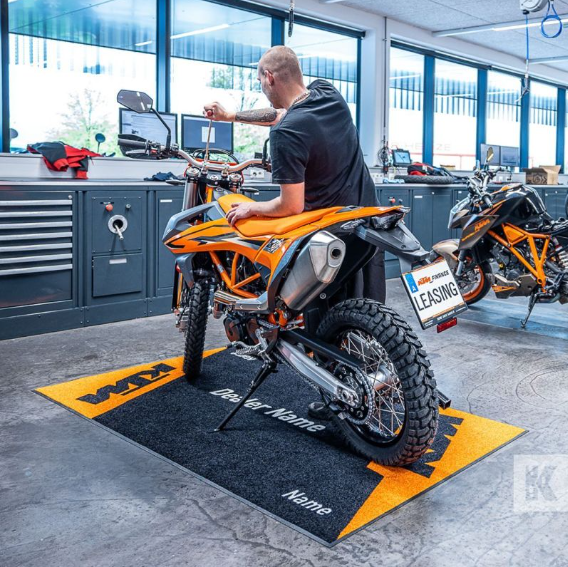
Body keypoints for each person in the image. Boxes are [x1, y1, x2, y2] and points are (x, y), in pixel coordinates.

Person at [204, 45, 385, 418]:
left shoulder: (286, 134)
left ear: (269, 77)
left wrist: (252, 207)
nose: (262, 87)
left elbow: (290, 206)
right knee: (367, 310)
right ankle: (378, 373)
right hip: (367, 220)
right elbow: (280, 112)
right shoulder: (327, 93)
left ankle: (338, 402)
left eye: (260, 80)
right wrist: (231, 116)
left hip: (330, 236)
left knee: (323, 315)